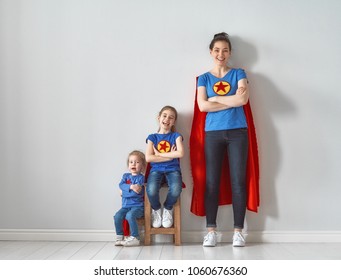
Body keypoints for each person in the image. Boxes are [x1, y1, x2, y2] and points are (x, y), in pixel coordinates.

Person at [196, 32, 250, 247]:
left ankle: (238, 231)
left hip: (238, 132)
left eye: (225, 50)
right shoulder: (204, 78)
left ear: (230, 52)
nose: (221, 53)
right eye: (217, 50)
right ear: (211, 52)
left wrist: (216, 98)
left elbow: (243, 99)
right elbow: (202, 106)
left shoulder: (239, 72)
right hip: (213, 133)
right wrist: (232, 100)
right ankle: (211, 231)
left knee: (238, 181)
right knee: (212, 182)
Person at [145, 105, 184, 228]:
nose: (167, 119)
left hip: (173, 170)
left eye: (171, 117)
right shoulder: (152, 137)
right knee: (151, 190)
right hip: (156, 170)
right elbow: (148, 158)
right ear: (159, 117)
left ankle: (168, 208)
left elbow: (181, 153)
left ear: (174, 122)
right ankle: (156, 209)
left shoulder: (176, 136)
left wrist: (159, 154)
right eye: (165, 116)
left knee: (176, 189)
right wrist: (169, 157)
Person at [114, 150, 146, 247]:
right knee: (117, 216)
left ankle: (135, 237)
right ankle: (120, 236)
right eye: (131, 162)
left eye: (137, 162)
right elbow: (121, 185)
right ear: (128, 165)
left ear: (142, 166)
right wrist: (131, 187)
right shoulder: (125, 176)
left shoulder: (141, 178)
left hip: (138, 207)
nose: (134, 164)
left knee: (129, 215)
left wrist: (123, 193)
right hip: (125, 206)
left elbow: (136, 194)